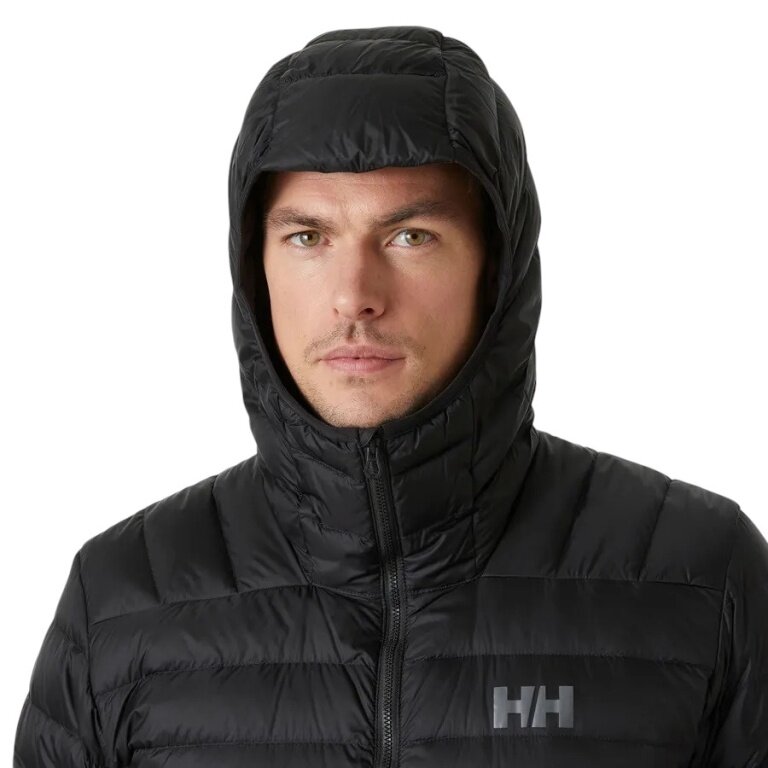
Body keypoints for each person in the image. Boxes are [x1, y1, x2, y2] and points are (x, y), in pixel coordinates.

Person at [14, 24, 768, 768]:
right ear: (254, 268)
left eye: (411, 236)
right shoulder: (119, 603)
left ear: (497, 270)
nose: (354, 296)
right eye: (308, 237)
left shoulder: (702, 577)